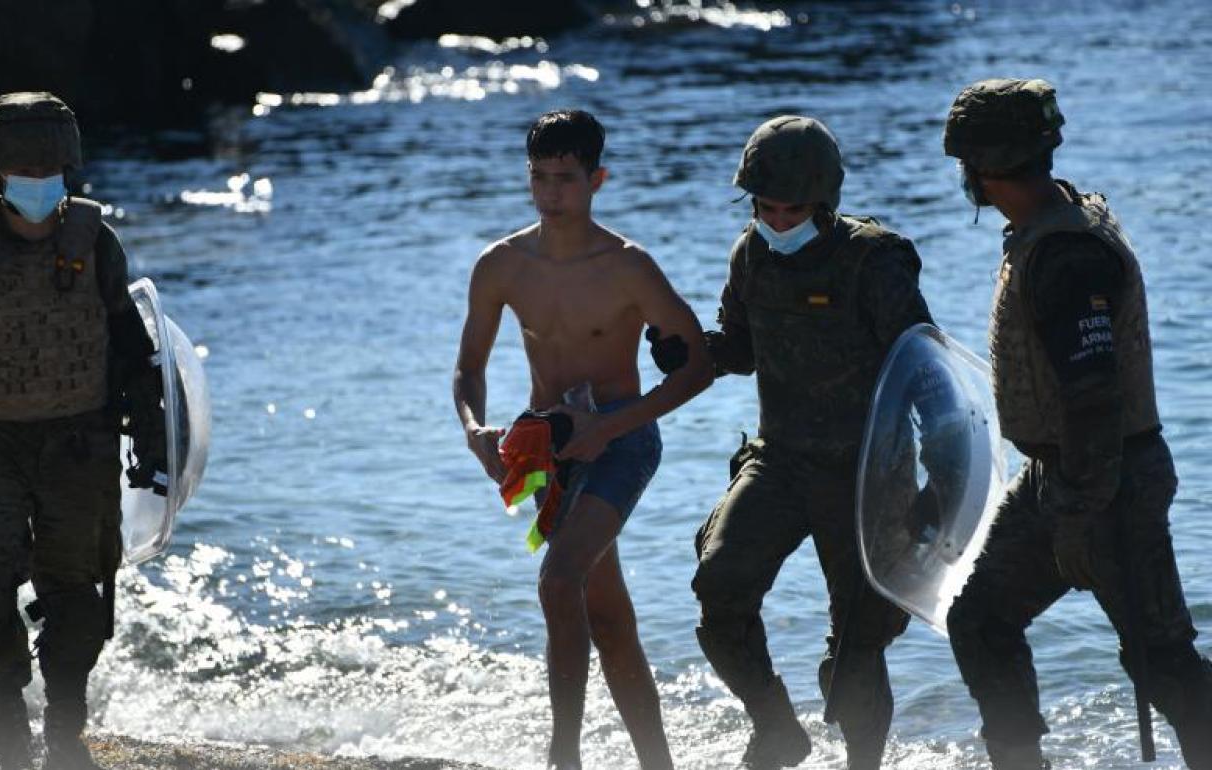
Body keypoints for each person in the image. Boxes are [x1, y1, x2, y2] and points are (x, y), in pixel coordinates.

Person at [942, 78, 1212, 770]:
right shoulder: (1055, 221)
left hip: (1107, 481)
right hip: (1060, 475)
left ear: (981, 166)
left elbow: (1093, 397)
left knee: (1163, 664)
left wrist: (1073, 512)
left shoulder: (1065, 257)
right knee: (980, 621)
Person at [452, 109, 714, 770]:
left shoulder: (628, 268)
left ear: (597, 179)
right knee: (609, 622)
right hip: (553, 451)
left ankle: (561, 756)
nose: (549, 193)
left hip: (624, 439)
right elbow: (469, 369)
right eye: (538, 177)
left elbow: (699, 366)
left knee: (558, 578)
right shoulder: (501, 266)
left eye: (565, 179)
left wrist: (610, 427)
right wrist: (476, 432)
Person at [688, 116, 933, 770]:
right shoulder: (750, 254)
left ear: (823, 201)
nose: (776, 218)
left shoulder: (872, 262)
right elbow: (739, 347)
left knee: (854, 657)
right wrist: (690, 353)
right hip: (781, 460)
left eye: (790, 208)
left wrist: (940, 483)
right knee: (719, 588)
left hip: (865, 473)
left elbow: (930, 373)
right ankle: (775, 727)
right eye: (764, 206)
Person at [0, 92, 164, 770]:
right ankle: (7, 726)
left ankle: (66, 729)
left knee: (76, 590)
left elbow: (132, 348)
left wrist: (153, 436)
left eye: (51, 165)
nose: (41, 180)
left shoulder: (93, 241)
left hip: (79, 439)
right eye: (26, 166)